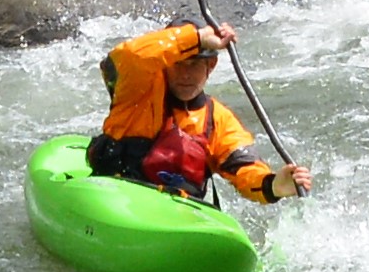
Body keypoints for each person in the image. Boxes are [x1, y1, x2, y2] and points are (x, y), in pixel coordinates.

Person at [86, 16, 313, 204]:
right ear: (166, 63)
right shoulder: (137, 90)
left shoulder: (218, 119)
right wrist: (195, 38)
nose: (186, 74)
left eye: (194, 65)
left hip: (177, 210)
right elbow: (129, 56)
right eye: (179, 64)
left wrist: (273, 185)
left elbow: (244, 167)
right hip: (116, 196)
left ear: (210, 66)